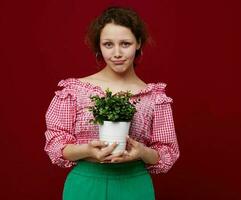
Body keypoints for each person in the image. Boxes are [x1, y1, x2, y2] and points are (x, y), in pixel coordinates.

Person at [44, 6, 180, 200]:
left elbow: (167, 153)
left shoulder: (154, 97)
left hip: (134, 185)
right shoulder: (75, 91)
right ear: (99, 46)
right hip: (85, 185)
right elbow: (56, 143)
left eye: (125, 44)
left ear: (138, 43)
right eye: (108, 44)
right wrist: (86, 150)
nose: (117, 53)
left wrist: (142, 152)